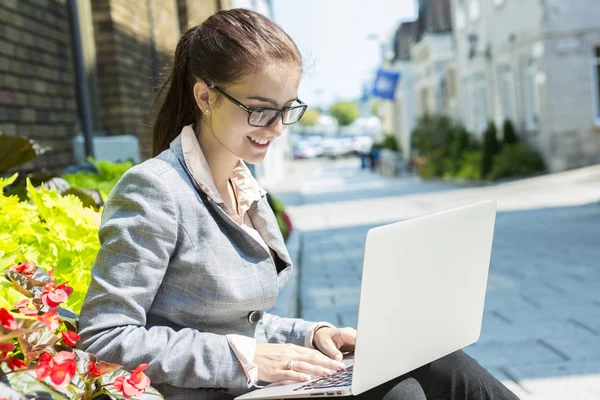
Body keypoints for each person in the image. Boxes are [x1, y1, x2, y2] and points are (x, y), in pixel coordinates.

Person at [77, 9, 519, 400]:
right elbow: (104, 337)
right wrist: (248, 359)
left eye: (288, 109)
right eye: (259, 109)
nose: (277, 128)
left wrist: (315, 334)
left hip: (255, 384)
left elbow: (240, 322)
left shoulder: (243, 187)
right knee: (401, 392)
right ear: (205, 97)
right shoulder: (155, 189)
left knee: (438, 359)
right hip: (210, 391)